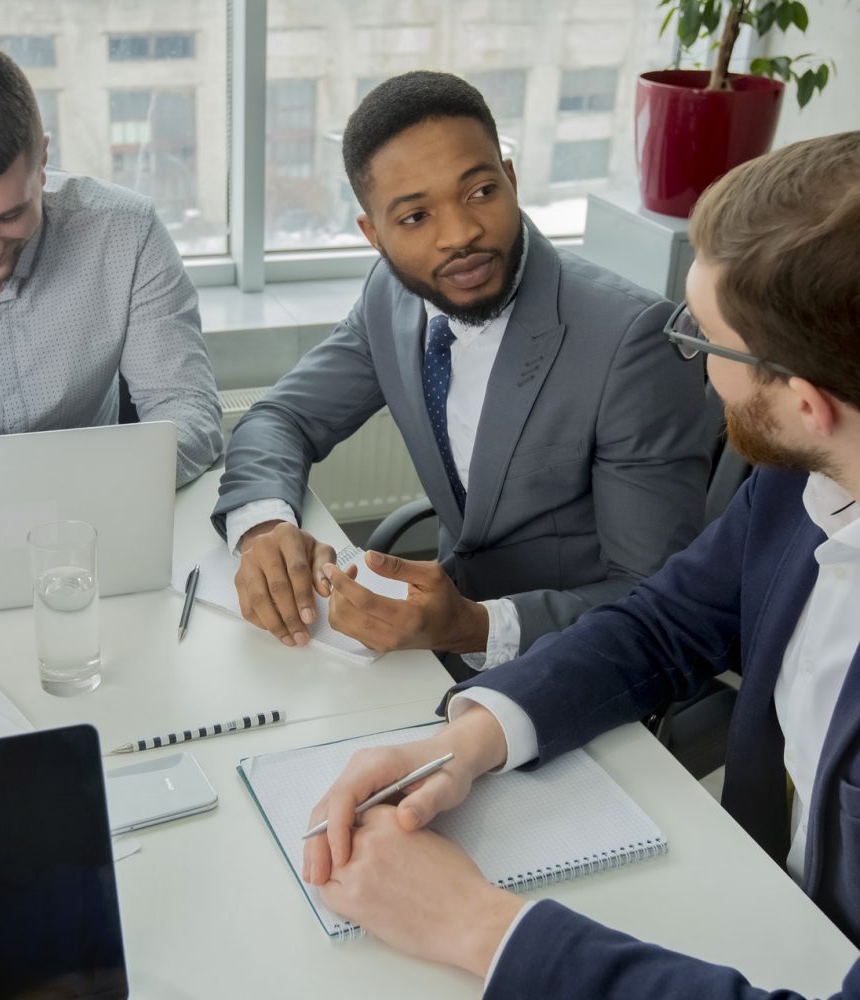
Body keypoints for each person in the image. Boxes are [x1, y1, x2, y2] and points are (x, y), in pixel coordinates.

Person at [301, 130, 860, 998]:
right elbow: (663, 624)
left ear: (806, 403)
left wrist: (477, 928)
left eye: (708, 343)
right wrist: (468, 741)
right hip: (761, 909)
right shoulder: (798, 483)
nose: (695, 361)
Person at [212, 71, 709, 668]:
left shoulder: (630, 341)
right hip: (439, 643)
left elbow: (655, 600)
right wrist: (264, 528)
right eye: (416, 218)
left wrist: (475, 626)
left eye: (479, 192)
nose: (462, 234)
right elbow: (283, 417)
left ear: (512, 180)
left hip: (574, 660)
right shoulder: (392, 297)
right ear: (376, 236)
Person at [0, 37, 222, 486]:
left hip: (94, 502)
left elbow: (186, 409)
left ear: (43, 160)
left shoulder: (127, 232)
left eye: (9, 215)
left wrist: (102, 483)